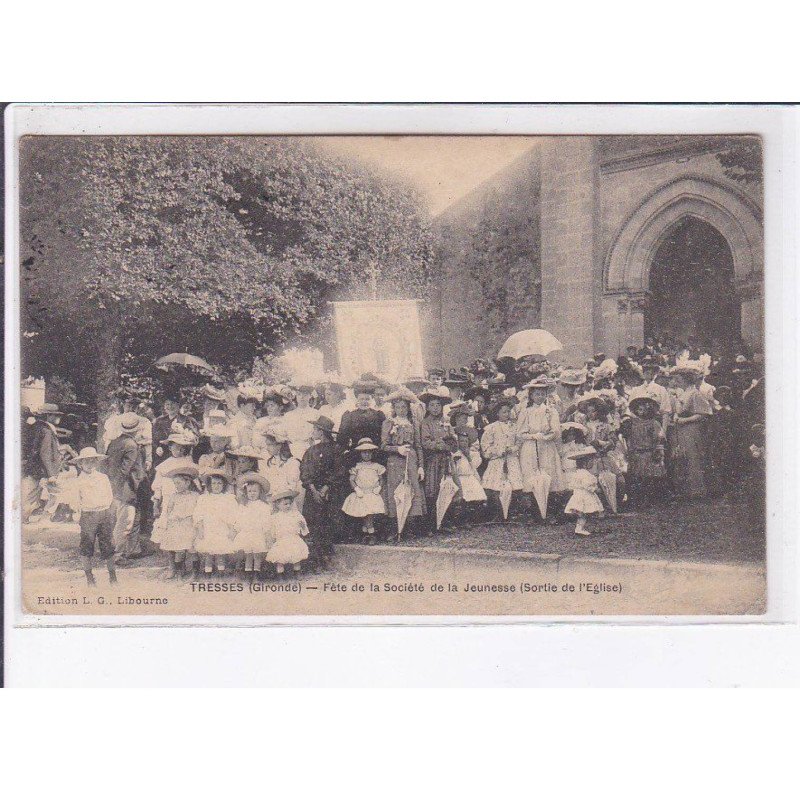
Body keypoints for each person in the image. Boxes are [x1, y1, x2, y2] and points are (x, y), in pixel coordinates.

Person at [516, 376, 564, 521]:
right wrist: (533, 436)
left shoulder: (551, 411)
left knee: (548, 474)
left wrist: (544, 437)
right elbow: (520, 432)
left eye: (543, 394)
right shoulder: (526, 412)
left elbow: (555, 431)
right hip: (530, 447)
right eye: (537, 394)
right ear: (531, 395)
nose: (540, 397)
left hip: (547, 446)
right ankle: (535, 512)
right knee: (532, 477)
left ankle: (550, 512)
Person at [380, 389, 427, 539]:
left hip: (411, 460)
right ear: (394, 408)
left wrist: (420, 466)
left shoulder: (414, 423)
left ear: (408, 408)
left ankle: (409, 528)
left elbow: (418, 446)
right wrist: (397, 449)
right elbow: (383, 446)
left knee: (412, 490)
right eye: (398, 407)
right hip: (394, 461)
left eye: (404, 407)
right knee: (396, 492)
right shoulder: (388, 423)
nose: (401, 410)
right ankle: (395, 529)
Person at [73, 447, 118, 586]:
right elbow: (75, 501)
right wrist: (78, 514)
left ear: (97, 462)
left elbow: (109, 496)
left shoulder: (103, 478)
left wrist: (109, 512)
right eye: (87, 462)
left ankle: (113, 577)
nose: (90, 464)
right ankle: (90, 578)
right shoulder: (78, 481)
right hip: (88, 515)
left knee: (108, 545)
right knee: (87, 546)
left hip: (104, 513)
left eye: (93, 461)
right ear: (80, 464)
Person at [105, 411, 147, 560]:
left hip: (116, 486)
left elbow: (108, 464)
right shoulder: (132, 445)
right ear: (136, 430)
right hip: (127, 487)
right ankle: (118, 553)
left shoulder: (114, 442)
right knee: (125, 521)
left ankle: (134, 549)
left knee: (132, 518)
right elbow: (125, 469)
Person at [300, 416, 341, 568]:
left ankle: (327, 557)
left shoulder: (335, 449)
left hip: (329, 492)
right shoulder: (310, 451)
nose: (313, 432)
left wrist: (326, 487)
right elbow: (305, 471)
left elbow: (338, 471)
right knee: (313, 523)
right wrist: (312, 489)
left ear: (322, 432)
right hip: (313, 493)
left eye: (315, 429)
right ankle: (316, 559)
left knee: (327, 523)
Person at [670, 365, 713, 501]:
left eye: (678, 379)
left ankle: (697, 490)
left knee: (693, 456)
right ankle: (684, 490)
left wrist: (685, 420)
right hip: (681, 429)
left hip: (691, 429)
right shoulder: (683, 393)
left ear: (685, 379)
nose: (676, 381)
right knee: (681, 456)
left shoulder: (695, 393)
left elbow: (703, 413)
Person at [152, 464, 200, 579]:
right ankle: (179, 572)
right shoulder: (174, 496)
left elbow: (199, 511)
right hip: (177, 525)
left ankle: (194, 573)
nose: (176, 486)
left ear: (188, 483)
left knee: (191, 549)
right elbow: (169, 510)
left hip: (190, 525)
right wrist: (172, 520)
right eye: (175, 483)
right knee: (177, 548)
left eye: (179, 483)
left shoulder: (195, 495)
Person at [480, 398, 523, 519]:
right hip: (497, 461)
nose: (506, 414)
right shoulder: (491, 428)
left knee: (514, 485)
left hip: (511, 460)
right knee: (496, 485)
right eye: (503, 412)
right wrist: (498, 451)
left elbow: (519, 443)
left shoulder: (514, 427)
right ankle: (497, 513)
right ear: (497, 413)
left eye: (508, 412)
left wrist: (513, 449)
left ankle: (510, 513)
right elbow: (485, 447)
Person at [419, 389, 455, 533]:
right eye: (432, 405)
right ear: (428, 407)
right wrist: (441, 444)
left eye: (438, 405)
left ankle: (444, 522)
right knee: (432, 491)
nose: (435, 408)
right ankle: (430, 525)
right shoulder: (426, 423)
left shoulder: (446, 422)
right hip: (433, 461)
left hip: (446, 460)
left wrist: (448, 444)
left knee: (445, 488)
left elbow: (453, 440)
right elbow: (426, 442)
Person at [620, 396, 666, 508]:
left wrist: (659, 453)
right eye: (639, 410)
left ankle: (650, 500)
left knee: (650, 478)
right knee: (635, 477)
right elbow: (625, 437)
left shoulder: (654, 423)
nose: (642, 412)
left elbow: (659, 439)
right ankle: (636, 500)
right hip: (635, 453)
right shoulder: (631, 423)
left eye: (644, 410)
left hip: (649, 453)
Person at [151, 432, 197, 541]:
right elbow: (158, 485)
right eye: (176, 448)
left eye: (182, 448)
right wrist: (156, 504)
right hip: (168, 496)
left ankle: (184, 546)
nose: (179, 451)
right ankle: (170, 546)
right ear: (170, 448)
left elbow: (194, 480)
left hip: (185, 498)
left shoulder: (188, 462)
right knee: (169, 519)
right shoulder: (165, 464)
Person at [22, 402, 62, 522]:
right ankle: (45, 517)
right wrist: (51, 474)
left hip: (35, 468)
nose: (57, 418)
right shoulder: (47, 431)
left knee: (32, 495)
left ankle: (22, 517)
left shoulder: (36, 427)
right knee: (56, 493)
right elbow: (45, 453)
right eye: (54, 415)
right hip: (44, 470)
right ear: (48, 416)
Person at [193, 469, 238, 573]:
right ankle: (208, 572)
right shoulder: (203, 498)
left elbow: (233, 515)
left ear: (224, 485)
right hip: (208, 527)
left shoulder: (228, 498)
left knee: (220, 551)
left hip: (222, 528)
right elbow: (198, 514)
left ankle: (220, 572)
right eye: (214, 483)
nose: (216, 486)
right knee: (208, 552)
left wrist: (232, 529)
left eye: (219, 483)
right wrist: (200, 528)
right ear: (209, 485)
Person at [342, 437, 386, 544]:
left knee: (369, 514)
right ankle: (365, 534)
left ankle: (371, 535)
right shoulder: (357, 467)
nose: (367, 455)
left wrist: (379, 487)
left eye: (369, 452)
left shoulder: (376, 466)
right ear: (360, 453)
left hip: (372, 493)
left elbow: (381, 479)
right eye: (364, 452)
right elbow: (352, 479)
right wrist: (357, 489)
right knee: (364, 514)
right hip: (361, 493)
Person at [232, 472, 273, 576]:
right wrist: (235, 530)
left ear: (260, 492)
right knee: (248, 553)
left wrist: (267, 535)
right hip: (246, 533)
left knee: (257, 554)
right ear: (246, 492)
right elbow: (239, 520)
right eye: (249, 491)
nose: (252, 493)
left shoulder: (264, 506)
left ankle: (256, 573)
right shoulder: (243, 505)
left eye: (255, 491)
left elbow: (266, 522)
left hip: (258, 533)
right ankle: (248, 572)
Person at [266, 488, 310, 578]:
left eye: (290, 503)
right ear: (278, 505)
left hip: (294, 539)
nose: (288, 506)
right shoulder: (275, 517)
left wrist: (302, 526)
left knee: (296, 556)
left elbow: (303, 527)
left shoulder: (296, 514)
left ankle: (297, 573)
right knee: (280, 559)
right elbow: (272, 530)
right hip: (281, 540)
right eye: (285, 504)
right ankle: (280, 575)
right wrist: (272, 539)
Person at [338, 377, 386, 454]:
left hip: (374, 451)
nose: (364, 402)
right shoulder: (349, 415)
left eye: (367, 399)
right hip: (355, 451)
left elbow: (384, 437)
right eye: (361, 399)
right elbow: (342, 438)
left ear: (371, 399)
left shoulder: (379, 415)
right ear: (357, 400)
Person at [563, 446, 604, 536]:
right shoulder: (585, 474)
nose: (593, 463)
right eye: (591, 461)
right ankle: (580, 528)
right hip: (585, 496)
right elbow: (587, 485)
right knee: (585, 514)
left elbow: (572, 485)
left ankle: (586, 527)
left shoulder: (577, 473)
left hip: (578, 495)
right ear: (585, 463)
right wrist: (595, 489)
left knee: (586, 514)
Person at [260, 428, 303, 509]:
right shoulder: (270, 463)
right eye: (267, 445)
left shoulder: (292, 463)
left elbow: (292, 487)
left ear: (279, 445)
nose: (267, 448)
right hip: (272, 501)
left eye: (270, 445)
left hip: (286, 503)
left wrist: (280, 499)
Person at [283, 384, 320, 460]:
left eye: (305, 395)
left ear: (310, 396)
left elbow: (319, 433)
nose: (302, 397)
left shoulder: (316, 413)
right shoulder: (289, 415)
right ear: (296, 396)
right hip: (293, 448)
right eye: (299, 394)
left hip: (311, 448)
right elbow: (285, 434)